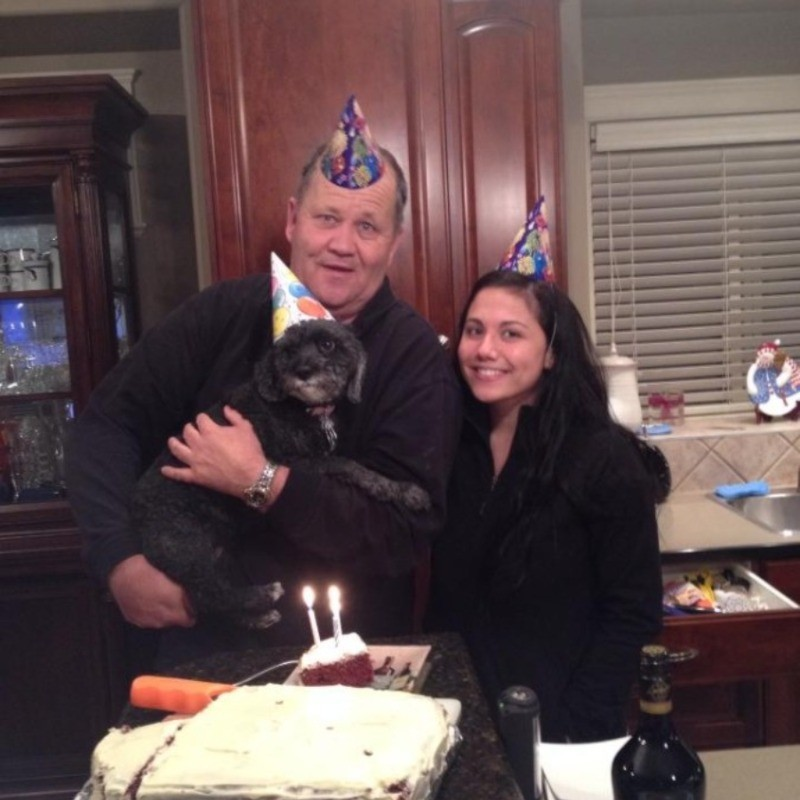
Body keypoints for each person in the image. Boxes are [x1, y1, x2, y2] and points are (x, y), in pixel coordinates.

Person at [65, 96, 461, 667]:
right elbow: (105, 426)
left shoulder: (413, 356)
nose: (342, 244)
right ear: (293, 219)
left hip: (352, 660)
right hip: (204, 651)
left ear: (393, 242)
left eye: (367, 226)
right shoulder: (221, 312)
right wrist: (118, 557)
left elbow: (405, 529)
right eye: (327, 218)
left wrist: (263, 482)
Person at [427, 200, 665, 743]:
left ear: (552, 353)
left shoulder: (603, 460)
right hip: (455, 720)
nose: (485, 349)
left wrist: (574, 722)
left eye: (511, 334)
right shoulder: (449, 446)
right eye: (474, 330)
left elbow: (632, 613)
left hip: (563, 729)